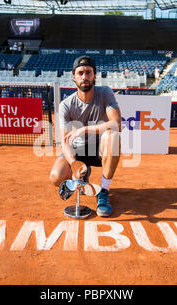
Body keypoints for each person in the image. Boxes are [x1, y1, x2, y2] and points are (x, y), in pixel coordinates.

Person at [49, 56, 122, 217]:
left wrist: (85, 129)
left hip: (99, 148)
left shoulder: (105, 93)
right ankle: (83, 173)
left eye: (88, 72)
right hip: (78, 150)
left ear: (94, 75)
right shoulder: (66, 105)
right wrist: (74, 164)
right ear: (74, 77)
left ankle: (103, 191)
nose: (84, 77)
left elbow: (117, 124)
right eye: (80, 73)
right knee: (56, 177)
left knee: (113, 136)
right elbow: (65, 141)